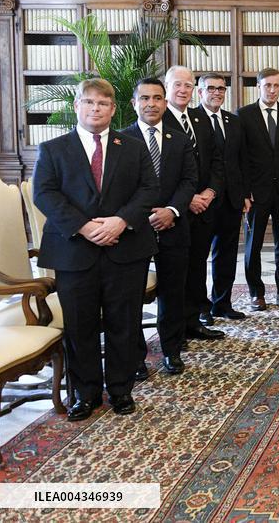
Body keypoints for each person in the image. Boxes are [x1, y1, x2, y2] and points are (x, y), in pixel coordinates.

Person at [33, 78, 158, 420]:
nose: (95, 109)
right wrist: (85, 227)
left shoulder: (132, 146)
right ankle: (85, 394)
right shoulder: (54, 149)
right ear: (77, 106)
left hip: (126, 249)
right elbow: (44, 193)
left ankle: (120, 391)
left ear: (113, 109)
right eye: (89, 102)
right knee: (80, 326)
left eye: (103, 103)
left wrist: (120, 221)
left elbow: (149, 189)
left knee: (124, 323)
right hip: (74, 251)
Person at [122, 78, 197, 377]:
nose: (151, 104)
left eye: (157, 98)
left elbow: (189, 180)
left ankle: (171, 350)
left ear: (165, 103)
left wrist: (172, 211)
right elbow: (117, 188)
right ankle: (135, 357)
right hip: (134, 230)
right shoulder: (120, 140)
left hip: (173, 226)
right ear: (134, 103)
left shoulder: (179, 139)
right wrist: (140, 215)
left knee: (173, 292)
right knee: (131, 295)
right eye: (144, 98)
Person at [161, 66, 226, 343]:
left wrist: (210, 192)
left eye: (188, 85)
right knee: (176, 275)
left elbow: (216, 160)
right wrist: (188, 199)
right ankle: (174, 333)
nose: (183, 90)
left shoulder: (200, 118)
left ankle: (193, 321)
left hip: (204, 209)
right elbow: (159, 173)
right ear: (166, 87)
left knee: (198, 267)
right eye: (177, 84)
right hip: (176, 212)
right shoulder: (159, 119)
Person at [238, 67, 279, 311]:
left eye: (277, 85)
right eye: (268, 85)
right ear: (258, 86)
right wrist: (245, 191)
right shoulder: (244, 115)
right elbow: (241, 157)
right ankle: (257, 294)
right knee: (253, 245)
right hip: (256, 192)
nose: (273, 90)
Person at [195, 73, 251, 323]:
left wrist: (245, 194)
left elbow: (242, 160)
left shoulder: (233, 121)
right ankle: (201, 307)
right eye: (211, 88)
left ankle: (222, 303)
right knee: (199, 256)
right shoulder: (193, 119)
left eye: (221, 88)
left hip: (232, 199)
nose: (216, 93)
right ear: (200, 92)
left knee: (227, 254)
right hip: (204, 200)